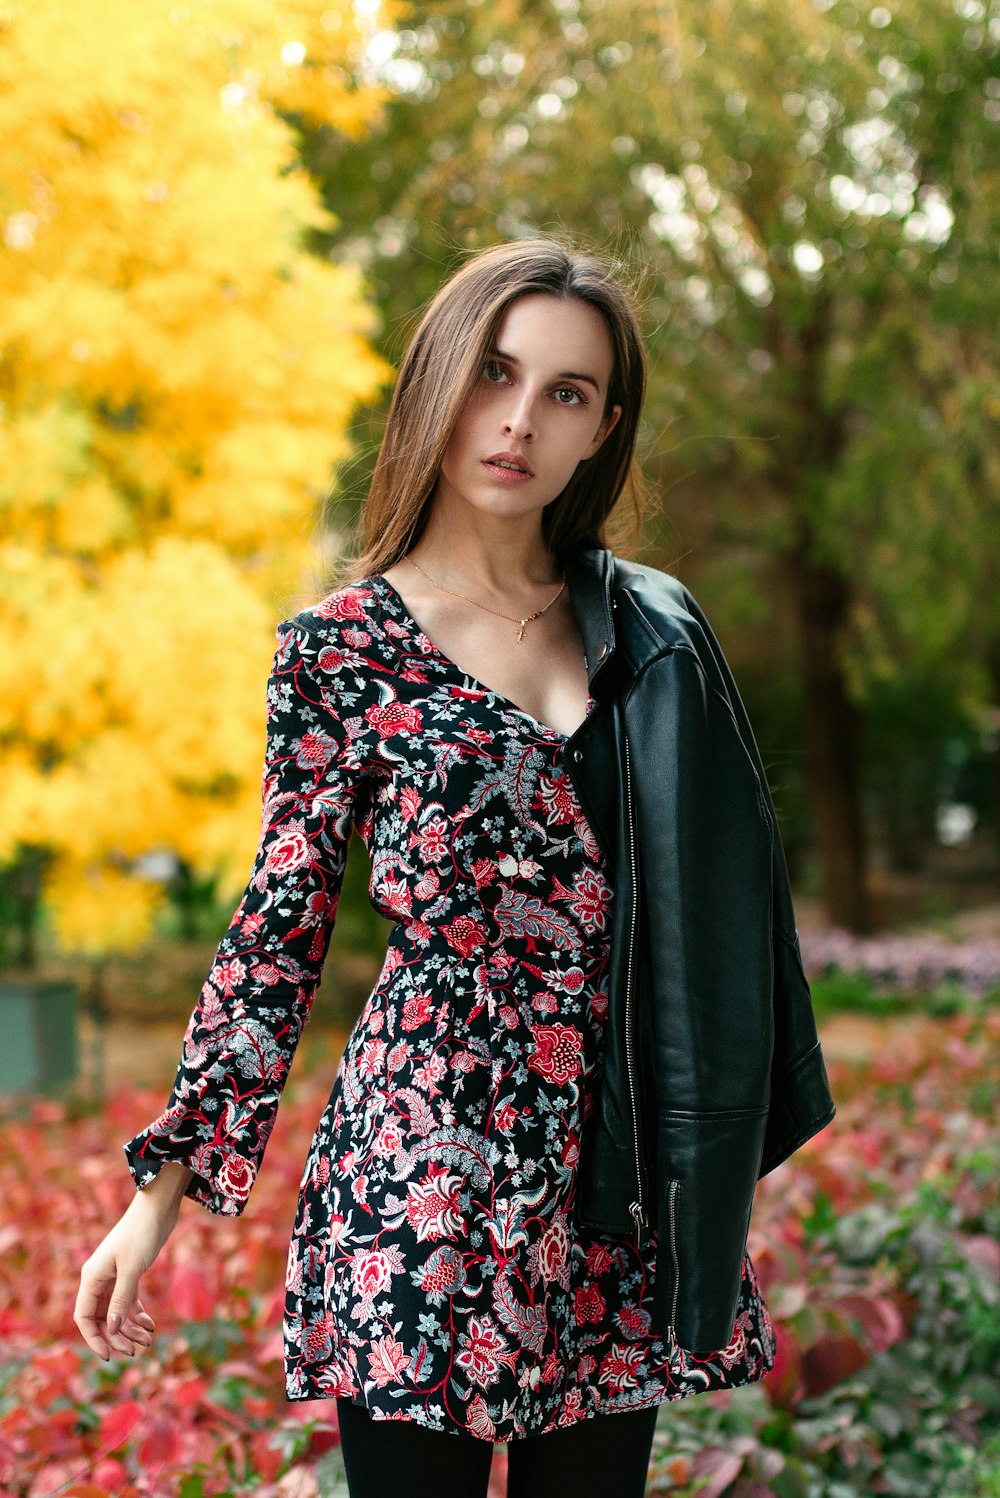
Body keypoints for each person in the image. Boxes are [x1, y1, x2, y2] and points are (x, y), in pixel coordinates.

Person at [75, 238, 786, 1497]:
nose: (518, 420)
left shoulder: (649, 632)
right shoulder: (341, 650)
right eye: (495, 373)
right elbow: (277, 927)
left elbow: (715, 907)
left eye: (565, 392)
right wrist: (161, 1189)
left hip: (609, 1168)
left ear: (600, 429)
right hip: (420, 1164)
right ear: (438, 381)